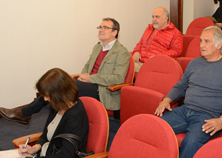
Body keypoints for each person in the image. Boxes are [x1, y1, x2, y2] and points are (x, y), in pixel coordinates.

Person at [0, 18, 130, 124]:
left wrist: (90, 79)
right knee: (56, 87)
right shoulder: (97, 47)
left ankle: (24, 113)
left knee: (60, 87)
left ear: (115, 32)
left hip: (102, 90)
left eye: (105, 27)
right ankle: (46, 129)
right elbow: (87, 66)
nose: (101, 30)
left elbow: (118, 78)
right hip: (88, 85)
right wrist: (83, 76)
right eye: (100, 27)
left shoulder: (121, 52)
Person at [154, 26, 222, 158]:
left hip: (207, 116)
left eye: (206, 41)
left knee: (191, 142)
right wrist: (166, 100)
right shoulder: (194, 63)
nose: (201, 45)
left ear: (219, 45)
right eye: (201, 41)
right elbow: (181, 86)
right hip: (184, 111)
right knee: (153, 126)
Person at [0, 68, 89, 158]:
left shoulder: (75, 118)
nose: (45, 99)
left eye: (47, 95)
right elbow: (47, 133)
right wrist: (35, 148)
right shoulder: (59, 105)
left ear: (59, 94)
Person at [132, 7, 183, 72]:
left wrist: (157, 57)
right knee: (121, 63)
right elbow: (140, 43)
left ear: (165, 19)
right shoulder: (149, 28)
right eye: (153, 17)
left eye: (157, 17)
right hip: (140, 61)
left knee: (124, 69)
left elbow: (177, 51)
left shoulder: (175, 33)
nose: (154, 19)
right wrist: (136, 51)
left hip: (156, 64)